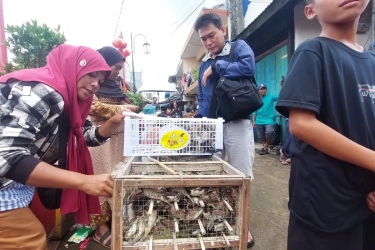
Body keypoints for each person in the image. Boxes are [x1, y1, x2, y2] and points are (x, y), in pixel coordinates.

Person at [0, 44, 123, 249]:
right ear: (73, 68)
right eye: (90, 74)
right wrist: (82, 181)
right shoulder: (41, 90)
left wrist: (114, 122)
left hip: (16, 185)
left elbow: (84, 136)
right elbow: (7, 156)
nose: (95, 85)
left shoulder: (71, 102)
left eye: (100, 82)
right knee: (28, 239)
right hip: (6, 183)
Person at [275, 0, 375, 249]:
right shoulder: (312, 51)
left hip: (366, 201)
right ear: (310, 11)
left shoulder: (372, 60)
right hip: (325, 203)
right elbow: (302, 124)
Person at [194, 12, 255, 248]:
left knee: (242, 175)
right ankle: (215, 218)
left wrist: (217, 66)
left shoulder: (239, 48)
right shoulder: (202, 65)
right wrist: (200, 117)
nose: (209, 42)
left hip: (238, 122)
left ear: (223, 31)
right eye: (204, 39)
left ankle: (243, 224)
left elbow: (248, 67)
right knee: (211, 174)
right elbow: (201, 95)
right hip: (212, 126)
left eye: (212, 35)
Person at [88, 46, 138, 248]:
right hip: (96, 139)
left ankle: (116, 221)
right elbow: (94, 107)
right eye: (115, 66)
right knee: (98, 177)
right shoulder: (92, 82)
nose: (117, 71)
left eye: (119, 67)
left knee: (117, 177)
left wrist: (128, 107)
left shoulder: (114, 85)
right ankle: (100, 229)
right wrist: (124, 109)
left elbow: (128, 104)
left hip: (119, 140)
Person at [252, 84, 278, 155]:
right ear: (258, 90)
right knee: (261, 136)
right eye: (262, 89)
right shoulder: (256, 99)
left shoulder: (271, 97)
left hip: (269, 119)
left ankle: (265, 147)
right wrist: (253, 121)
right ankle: (265, 148)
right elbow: (254, 111)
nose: (264, 90)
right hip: (259, 120)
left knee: (269, 132)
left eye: (265, 89)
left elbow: (281, 97)